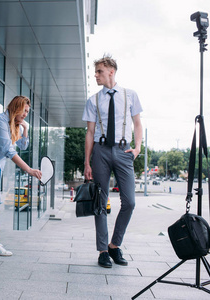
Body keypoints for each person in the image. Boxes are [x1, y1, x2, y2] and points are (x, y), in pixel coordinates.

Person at [82, 54, 143, 268]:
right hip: (100, 151)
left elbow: (137, 123)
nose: (96, 75)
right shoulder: (93, 100)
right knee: (100, 201)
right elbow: (89, 132)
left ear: (111, 71)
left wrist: (137, 148)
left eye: (99, 71)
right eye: (95, 72)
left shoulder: (130, 95)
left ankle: (114, 245)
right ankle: (102, 251)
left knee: (130, 202)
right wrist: (87, 162)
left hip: (124, 150)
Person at [0, 95, 42, 256]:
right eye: (24, 111)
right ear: (16, 108)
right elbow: (8, 150)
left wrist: (25, 129)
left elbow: (23, 145)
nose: (26, 114)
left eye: (28, 112)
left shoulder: (15, 125)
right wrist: (29, 170)